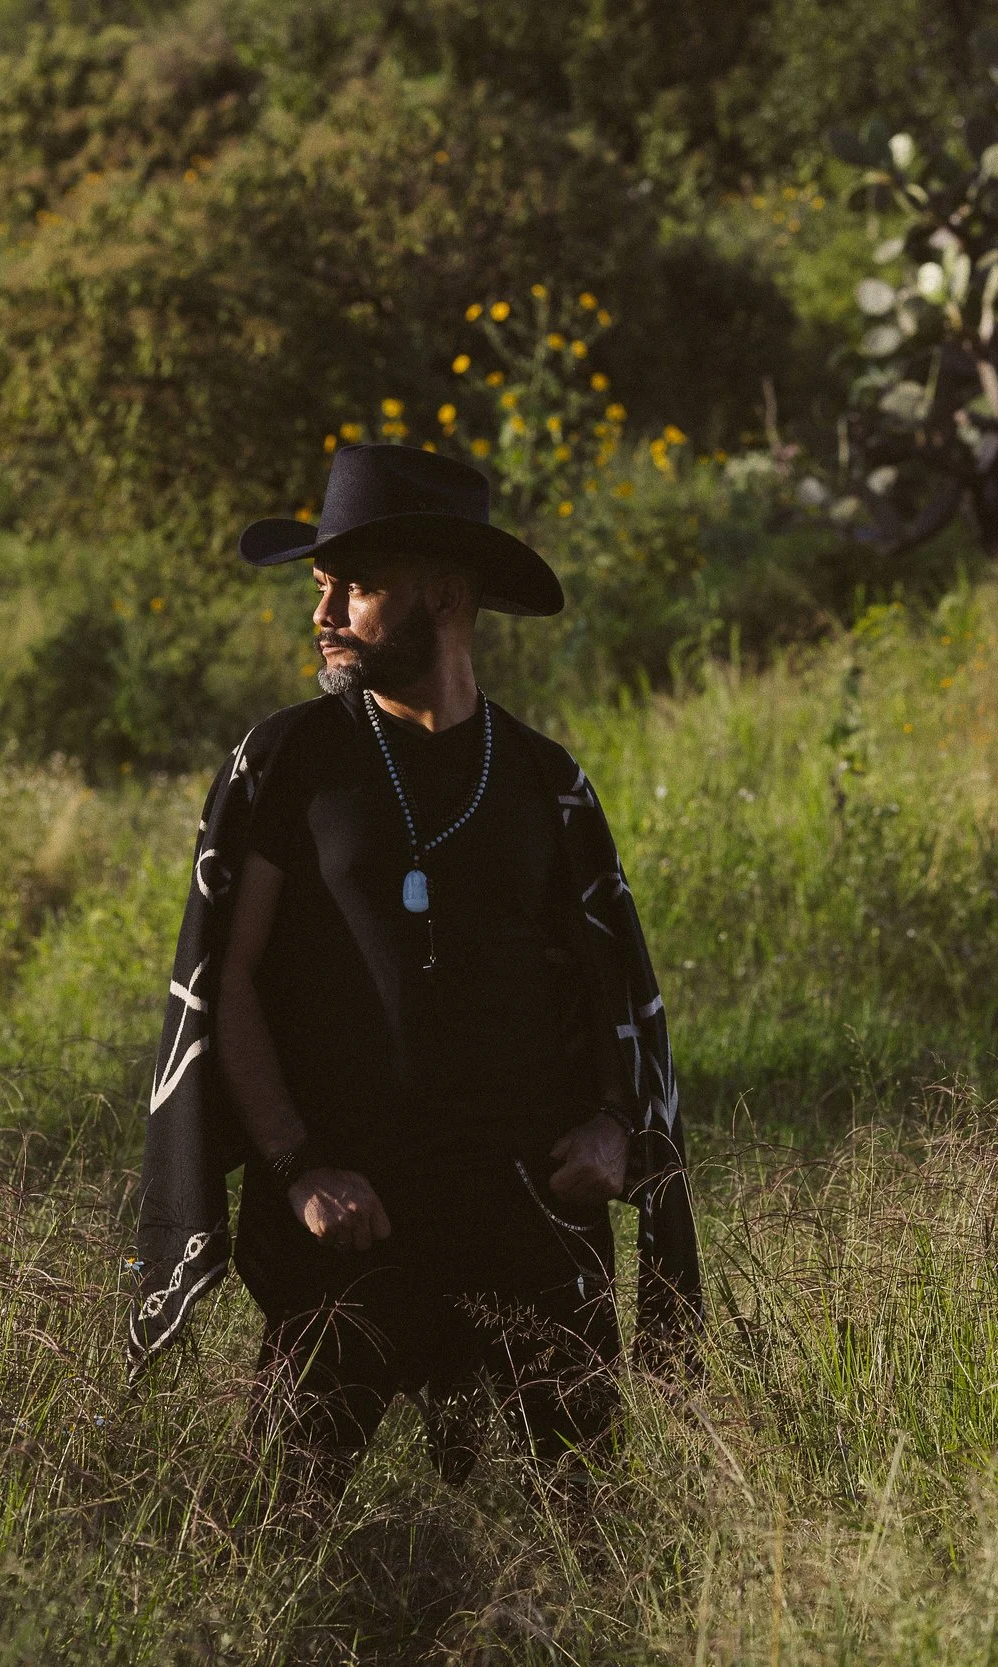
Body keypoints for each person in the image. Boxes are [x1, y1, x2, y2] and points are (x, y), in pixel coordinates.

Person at [129, 443, 699, 1495]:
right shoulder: (289, 763)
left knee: (592, 1521)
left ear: (443, 592)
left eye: (357, 584)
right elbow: (228, 979)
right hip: (354, 1219)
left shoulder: (542, 780)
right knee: (277, 1526)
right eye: (321, 585)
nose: (326, 610)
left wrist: (616, 1127)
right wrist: (300, 1166)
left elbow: (613, 980)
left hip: (526, 1213)